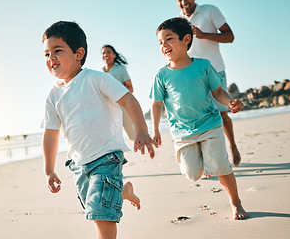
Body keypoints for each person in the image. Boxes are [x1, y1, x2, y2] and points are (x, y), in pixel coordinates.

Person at [42, 21, 158, 238]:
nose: (51, 58)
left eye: (57, 51)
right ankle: (122, 191)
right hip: (78, 165)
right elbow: (50, 134)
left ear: (79, 53)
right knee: (93, 206)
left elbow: (129, 100)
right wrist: (49, 169)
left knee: (101, 214)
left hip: (106, 157)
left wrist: (141, 130)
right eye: (47, 54)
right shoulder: (53, 96)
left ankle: (116, 191)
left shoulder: (96, 79)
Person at [150, 17, 248, 220]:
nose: (164, 45)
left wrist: (230, 102)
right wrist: (156, 130)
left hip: (210, 125)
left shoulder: (203, 66)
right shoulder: (161, 75)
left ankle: (236, 202)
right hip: (183, 133)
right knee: (192, 174)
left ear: (186, 39)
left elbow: (218, 91)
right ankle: (206, 162)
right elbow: (157, 104)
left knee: (222, 168)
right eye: (160, 42)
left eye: (169, 39)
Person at [176, 0, 241, 166]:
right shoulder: (179, 20)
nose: (184, 1)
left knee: (221, 112)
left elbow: (230, 36)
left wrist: (204, 35)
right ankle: (206, 160)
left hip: (215, 69)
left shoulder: (210, 10)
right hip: (192, 75)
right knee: (198, 117)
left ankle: (232, 146)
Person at [101, 45, 135, 141]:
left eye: (108, 52)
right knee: (111, 137)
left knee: (131, 135)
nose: (106, 55)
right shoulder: (101, 73)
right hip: (108, 109)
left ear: (114, 55)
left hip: (122, 106)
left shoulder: (120, 69)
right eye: (103, 53)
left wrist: (118, 93)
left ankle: (148, 145)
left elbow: (131, 88)